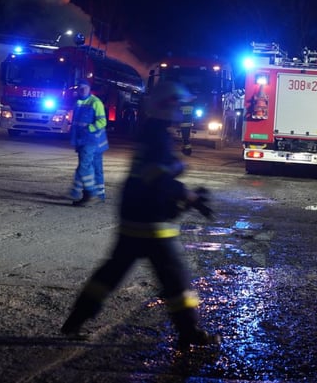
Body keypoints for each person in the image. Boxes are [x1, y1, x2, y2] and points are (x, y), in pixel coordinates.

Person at [60, 81, 220, 351]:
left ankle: (75, 321)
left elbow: (156, 174)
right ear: (166, 107)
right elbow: (159, 178)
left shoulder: (151, 131)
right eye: (179, 105)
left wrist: (180, 182)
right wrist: (189, 196)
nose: (183, 110)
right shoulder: (158, 137)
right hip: (152, 222)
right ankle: (189, 331)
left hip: (134, 216)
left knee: (110, 274)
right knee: (176, 279)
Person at [69, 78, 109, 206]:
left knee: (84, 167)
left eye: (84, 88)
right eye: (79, 88)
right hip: (86, 141)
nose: (81, 90)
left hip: (91, 140)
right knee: (95, 168)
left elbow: (102, 122)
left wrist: (89, 129)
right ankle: (100, 195)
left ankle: (88, 193)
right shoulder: (78, 102)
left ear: (89, 89)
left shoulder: (96, 102)